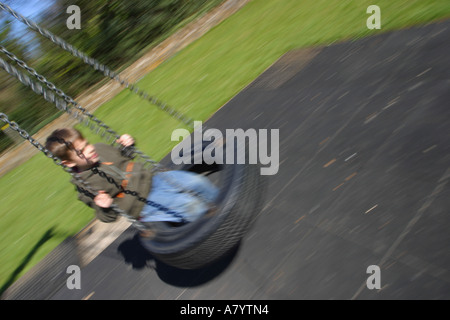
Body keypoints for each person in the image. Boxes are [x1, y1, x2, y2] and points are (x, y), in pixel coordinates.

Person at [45, 128, 218, 228]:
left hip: (153, 179)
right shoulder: (84, 185)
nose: (89, 149)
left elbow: (124, 157)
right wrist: (104, 207)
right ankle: (217, 227)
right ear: (68, 163)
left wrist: (128, 145)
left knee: (196, 182)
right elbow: (107, 217)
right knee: (188, 205)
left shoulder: (100, 148)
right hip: (141, 203)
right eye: (81, 152)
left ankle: (224, 204)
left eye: (86, 144)